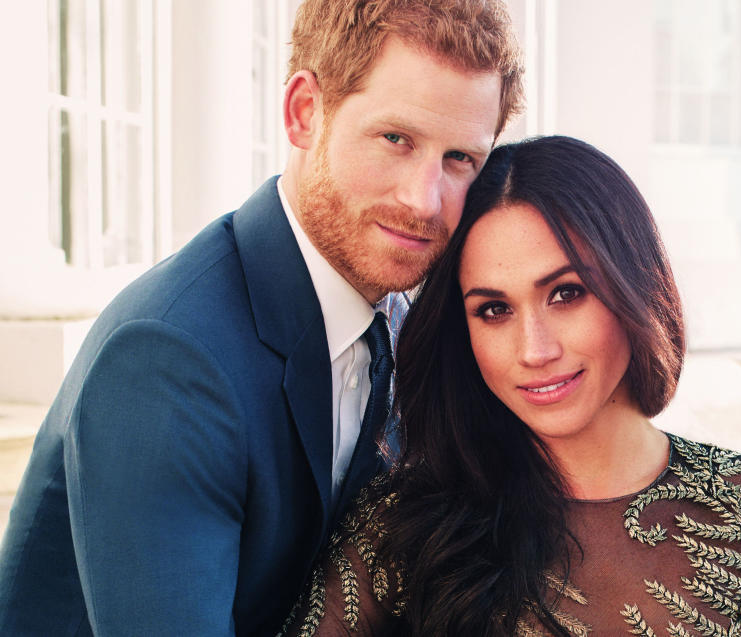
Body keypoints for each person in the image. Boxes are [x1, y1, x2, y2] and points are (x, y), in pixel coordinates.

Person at [0, 1, 522, 634]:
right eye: (395, 139)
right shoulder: (167, 360)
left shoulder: (408, 314)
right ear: (304, 112)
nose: (424, 200)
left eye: (460, 159)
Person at [280, 136, 741, 636]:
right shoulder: (400, 527)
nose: (535, 350)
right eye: (494, 309)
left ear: (633, 287)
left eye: (567, 293)